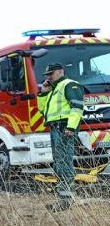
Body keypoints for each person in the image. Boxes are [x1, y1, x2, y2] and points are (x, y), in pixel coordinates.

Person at [36, 63, 84, 211]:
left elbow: (77, 107)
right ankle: (63, 197)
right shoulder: (53, 89)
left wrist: (71, 127)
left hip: (64, 128)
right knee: (58, 163)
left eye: (51, 74)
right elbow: (42, 110)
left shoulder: (69, 85)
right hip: (56, 128)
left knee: (63, 162)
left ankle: (66, 199)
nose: (48, 77)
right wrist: (43, 93)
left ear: (60, 72)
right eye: (46, 75)